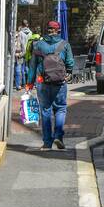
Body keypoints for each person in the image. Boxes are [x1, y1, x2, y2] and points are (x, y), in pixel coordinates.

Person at [27, 20, 74, 150]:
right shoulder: (64, 45)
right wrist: (67, 74)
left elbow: (32, 65)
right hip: (60, 82)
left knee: (46, 111)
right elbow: (70, 63)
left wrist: (30, 83)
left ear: (47, 30)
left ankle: (47, 143)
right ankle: (58, 136)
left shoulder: (38, 45)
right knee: (60, 108)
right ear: (58, 31)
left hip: (43, 82)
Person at [14, 22, 31, 89]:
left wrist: (19, 54)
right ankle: (25, 83)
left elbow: (22, 46)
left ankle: (19, 85)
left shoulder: (20, 34)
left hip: (20, 54)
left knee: (19, 70)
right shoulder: (30, 32)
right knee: (24, 69)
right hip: (27, 52)